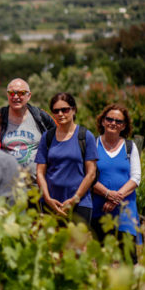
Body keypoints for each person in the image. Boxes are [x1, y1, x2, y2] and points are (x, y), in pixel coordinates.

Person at [35, 93, 98, 225]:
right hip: (51, 204)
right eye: (56, 111)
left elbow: (91, 173)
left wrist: (75, 199)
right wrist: (47, 198)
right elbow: (40, 172)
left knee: (76, 245)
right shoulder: (47, 137)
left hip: (80, 204)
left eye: (65, 109)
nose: (61, 114)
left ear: (73, 110)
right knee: (52, 245)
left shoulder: (85, 136)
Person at [91, 104, 142, 257]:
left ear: (124, 126)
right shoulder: (92, 145)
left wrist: (116, 198)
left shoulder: (130, 146)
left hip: (125, 211)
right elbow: (88, 176)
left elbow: (136, 178)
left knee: (127, 259)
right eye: (110, 119)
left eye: (118, 121)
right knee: (102, 259)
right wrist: (107, 194)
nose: (113, 123)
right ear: (103, 121)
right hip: (100, 210)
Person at [0, 78, 55, 180]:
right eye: (11, 93)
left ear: (29, 96)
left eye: (21, 93)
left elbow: (57, 142)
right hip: (7, 187)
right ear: (7, 95)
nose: (15, 97)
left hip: (36, 186)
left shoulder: (40, 117)